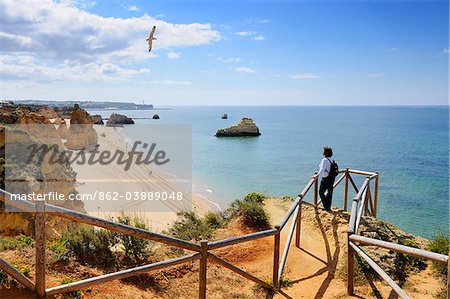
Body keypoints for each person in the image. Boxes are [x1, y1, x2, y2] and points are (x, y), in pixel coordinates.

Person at [317, 146, 336, 211]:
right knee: (329, 192)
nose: (322, 152)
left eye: (323, 151)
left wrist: (317, 176)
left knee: (321, 192)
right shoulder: (332, 160)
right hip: (332, 178)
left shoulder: (324, 160)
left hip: (326, 179)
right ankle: (328, 207)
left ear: (325, 153)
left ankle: (326, 207)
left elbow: (322, 169)